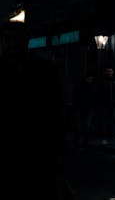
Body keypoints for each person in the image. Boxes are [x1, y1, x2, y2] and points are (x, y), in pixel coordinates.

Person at [0, 20, 68, 198]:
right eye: (8, 39)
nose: (11, 44)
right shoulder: (46, 70)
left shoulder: (46, 71)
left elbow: (56, 113)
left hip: (37, 152)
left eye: (16, 39)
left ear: (25, 41)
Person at [72, 70, 97, 149]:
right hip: (84, 108)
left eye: (91, 79)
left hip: (84, 108)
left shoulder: (83, 86)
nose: (90, 80)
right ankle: (82, 142)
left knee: (82, 125)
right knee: (83, 125)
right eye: (90, 79)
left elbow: (76, 97)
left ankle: (80, 142)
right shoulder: (89, 86)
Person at [97, 66, 115, 142]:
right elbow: (100, 93)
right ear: (105, 72)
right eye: (108, 71)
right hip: (105, 104)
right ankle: (105, 136)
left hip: (114, 103)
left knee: (114, 119)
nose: (109, 73)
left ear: (113, 72)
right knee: (105, 120)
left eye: (111, 71)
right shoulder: (102, 81)